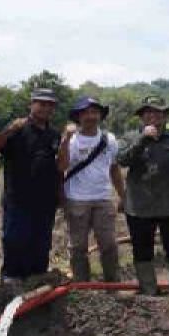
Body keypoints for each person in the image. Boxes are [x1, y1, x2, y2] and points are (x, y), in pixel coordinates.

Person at [117, 95, 169, 297]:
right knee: (142, 251)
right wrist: (143, 139)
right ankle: (149, 292)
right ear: (142, 116)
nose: (153, 116)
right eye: (148, 112)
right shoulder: (129, 138)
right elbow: (123, 160)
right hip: (139, 207)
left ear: (165, 115)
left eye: (158, 112)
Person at [0, 88, 62, 288]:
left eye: (49, 105)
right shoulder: (17, 128)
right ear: (31, 104)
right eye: (41, 103)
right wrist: (9, 130)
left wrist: (60, 194)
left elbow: (59, 167)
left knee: (42, 240)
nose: (45, 108)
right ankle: (11, 276)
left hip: (46, 198)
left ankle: (37, 276)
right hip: (18, 196)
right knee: (15, 238)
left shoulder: (54, 134)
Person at [59, 96, 126, 282]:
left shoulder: (109, 139)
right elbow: (62, 166)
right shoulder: (71, 141)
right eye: (86, 112)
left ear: (100, 115)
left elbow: (114, 169)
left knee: (109, 244)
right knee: (78, 246)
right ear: (78, 117)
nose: (91, 116)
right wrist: (64, 141)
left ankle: (112, 283)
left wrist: (122, 195)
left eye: (94, 112)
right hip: (76, 199)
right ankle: (82, 285)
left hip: (103, 198)